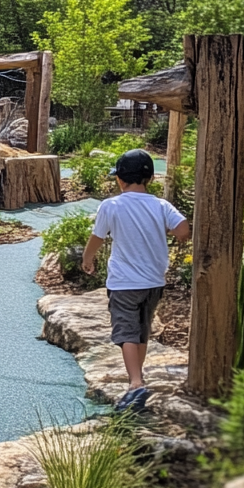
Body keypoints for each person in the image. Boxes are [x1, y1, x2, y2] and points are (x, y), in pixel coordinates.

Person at [82, 148, 190, 412]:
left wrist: (87, 258)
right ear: (150, 179)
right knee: (141, 330)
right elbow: (183, 229)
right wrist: (173, 233)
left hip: (124, 283)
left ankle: (136, 384)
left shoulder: (111, 205)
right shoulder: (160, 205)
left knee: (126, 331)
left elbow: (97, 237)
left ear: (119, 179)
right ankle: (137, 379)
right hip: (154, 282)